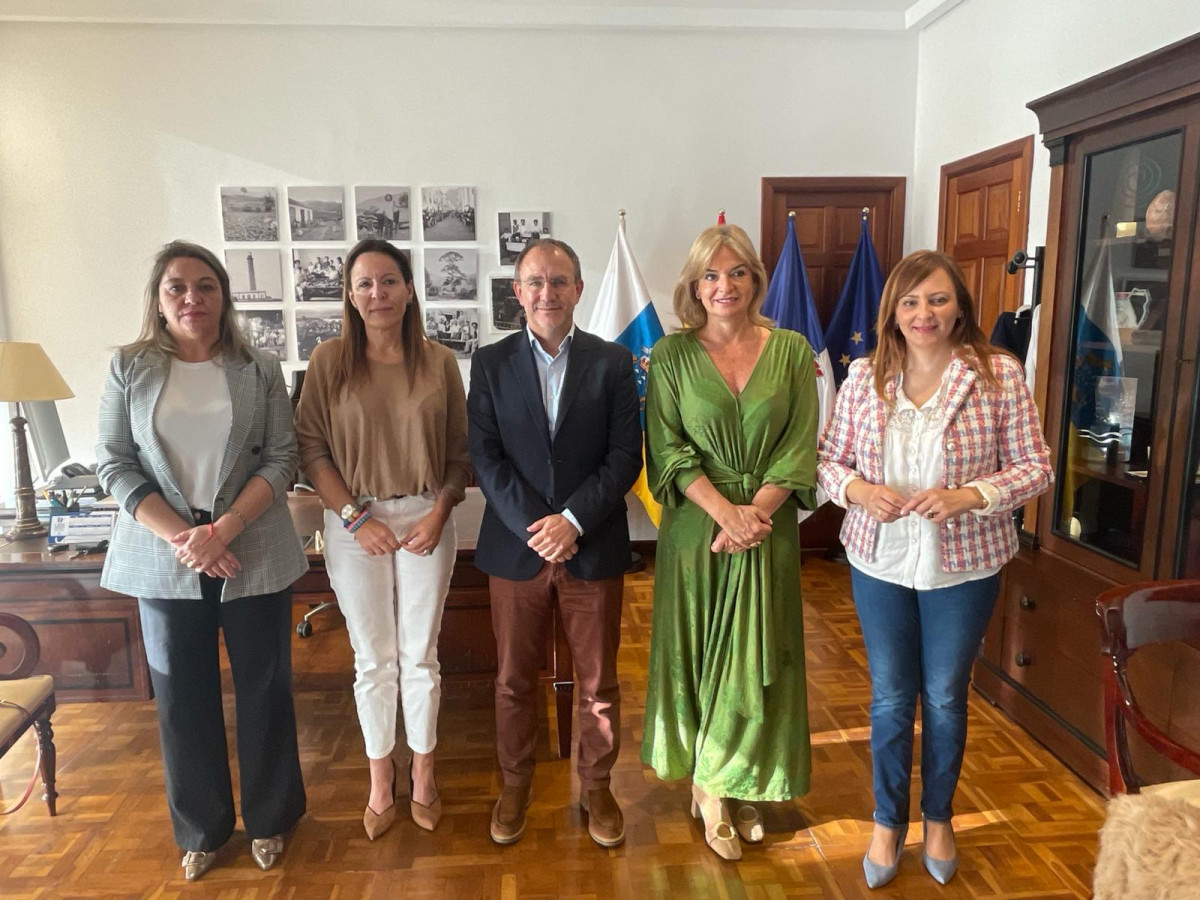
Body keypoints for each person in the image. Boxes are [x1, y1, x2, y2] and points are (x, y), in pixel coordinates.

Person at [816, 250, 1053, 888]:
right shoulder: (865, 375)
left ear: (960, 307)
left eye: (939, 299)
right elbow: (827, 461)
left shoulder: (997, 373)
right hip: (879, 560)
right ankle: (888, 821)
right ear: (893, 310)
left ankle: (939, 817)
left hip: (966, 565)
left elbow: (1037, 466)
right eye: (912, 301)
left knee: (946, 698)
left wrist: (970, 495)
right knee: (892, 698)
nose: (925, 313)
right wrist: (859, 492)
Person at [96, 240, 308, 882]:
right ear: (158, 302)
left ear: (225, 295)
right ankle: (203, 830)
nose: (193, 298)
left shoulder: (259, 368)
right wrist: (185, 538)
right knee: (180, 698)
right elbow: (113, 461)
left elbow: (282, 457)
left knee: (265, 689)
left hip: (252, 550)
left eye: (206, 286)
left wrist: (224, 529)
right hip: (164, 558)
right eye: (177, 288)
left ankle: (272, 820)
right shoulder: (128, 368)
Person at [640, 223, 819, 862]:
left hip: (767, 532)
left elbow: (801, 448)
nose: (724, 286)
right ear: (694, 285)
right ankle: (710, 787)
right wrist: (725, 513)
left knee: (759, 655)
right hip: (696, 533)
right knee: (697, 655)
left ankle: (743, 780)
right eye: (711, 275)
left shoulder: (793, 351)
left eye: (737, 272)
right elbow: (665, 449)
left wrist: (753, 515)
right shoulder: (670, 357)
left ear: (755, 279)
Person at [467, 238, 642, 849]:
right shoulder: (489, 365)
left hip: (591, 546)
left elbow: (625, 458)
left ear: (578, 290)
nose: (547, 293)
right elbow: (486, 460)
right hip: (516, 550)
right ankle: (515, 783)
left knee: (598, 683)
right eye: (535, 282)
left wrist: (572, 521)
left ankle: (596, 786)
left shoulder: (614, 363)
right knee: (515, 680)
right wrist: (539, 528)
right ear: (517, 292)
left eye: (559, 281)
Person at [295, 238, 469, 840]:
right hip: (353, 521)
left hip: (426, 515)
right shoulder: (328, 361)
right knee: (372, 658)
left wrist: (440, 512)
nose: (378, 293)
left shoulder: (440, 362)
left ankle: (423, 771)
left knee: (420, 653)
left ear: (409, 288)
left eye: (389, 280)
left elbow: (458, 455)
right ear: (349, 293)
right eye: (365, 283)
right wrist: (352, 518)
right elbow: (310, 450)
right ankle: (379, 775)